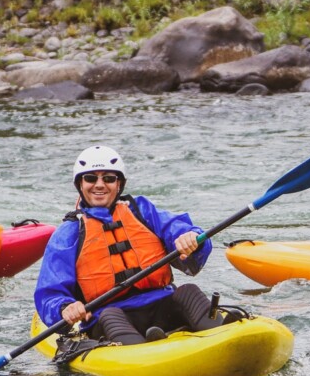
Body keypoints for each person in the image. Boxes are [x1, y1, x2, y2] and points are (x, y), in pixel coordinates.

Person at [34, 145, 224, 345]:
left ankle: (223, 336)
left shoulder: (142, 211)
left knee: (188, 292)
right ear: (80, 184)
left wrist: (191, 238)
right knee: (110, 315)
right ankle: (143, 349)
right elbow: (50, 293)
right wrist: (65, 307)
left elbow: (178, 228)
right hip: (110, 317)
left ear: (119, 184)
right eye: (90, 178)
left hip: (162, 306)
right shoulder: (69, 233)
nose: (99, 184)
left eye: (108, 178)